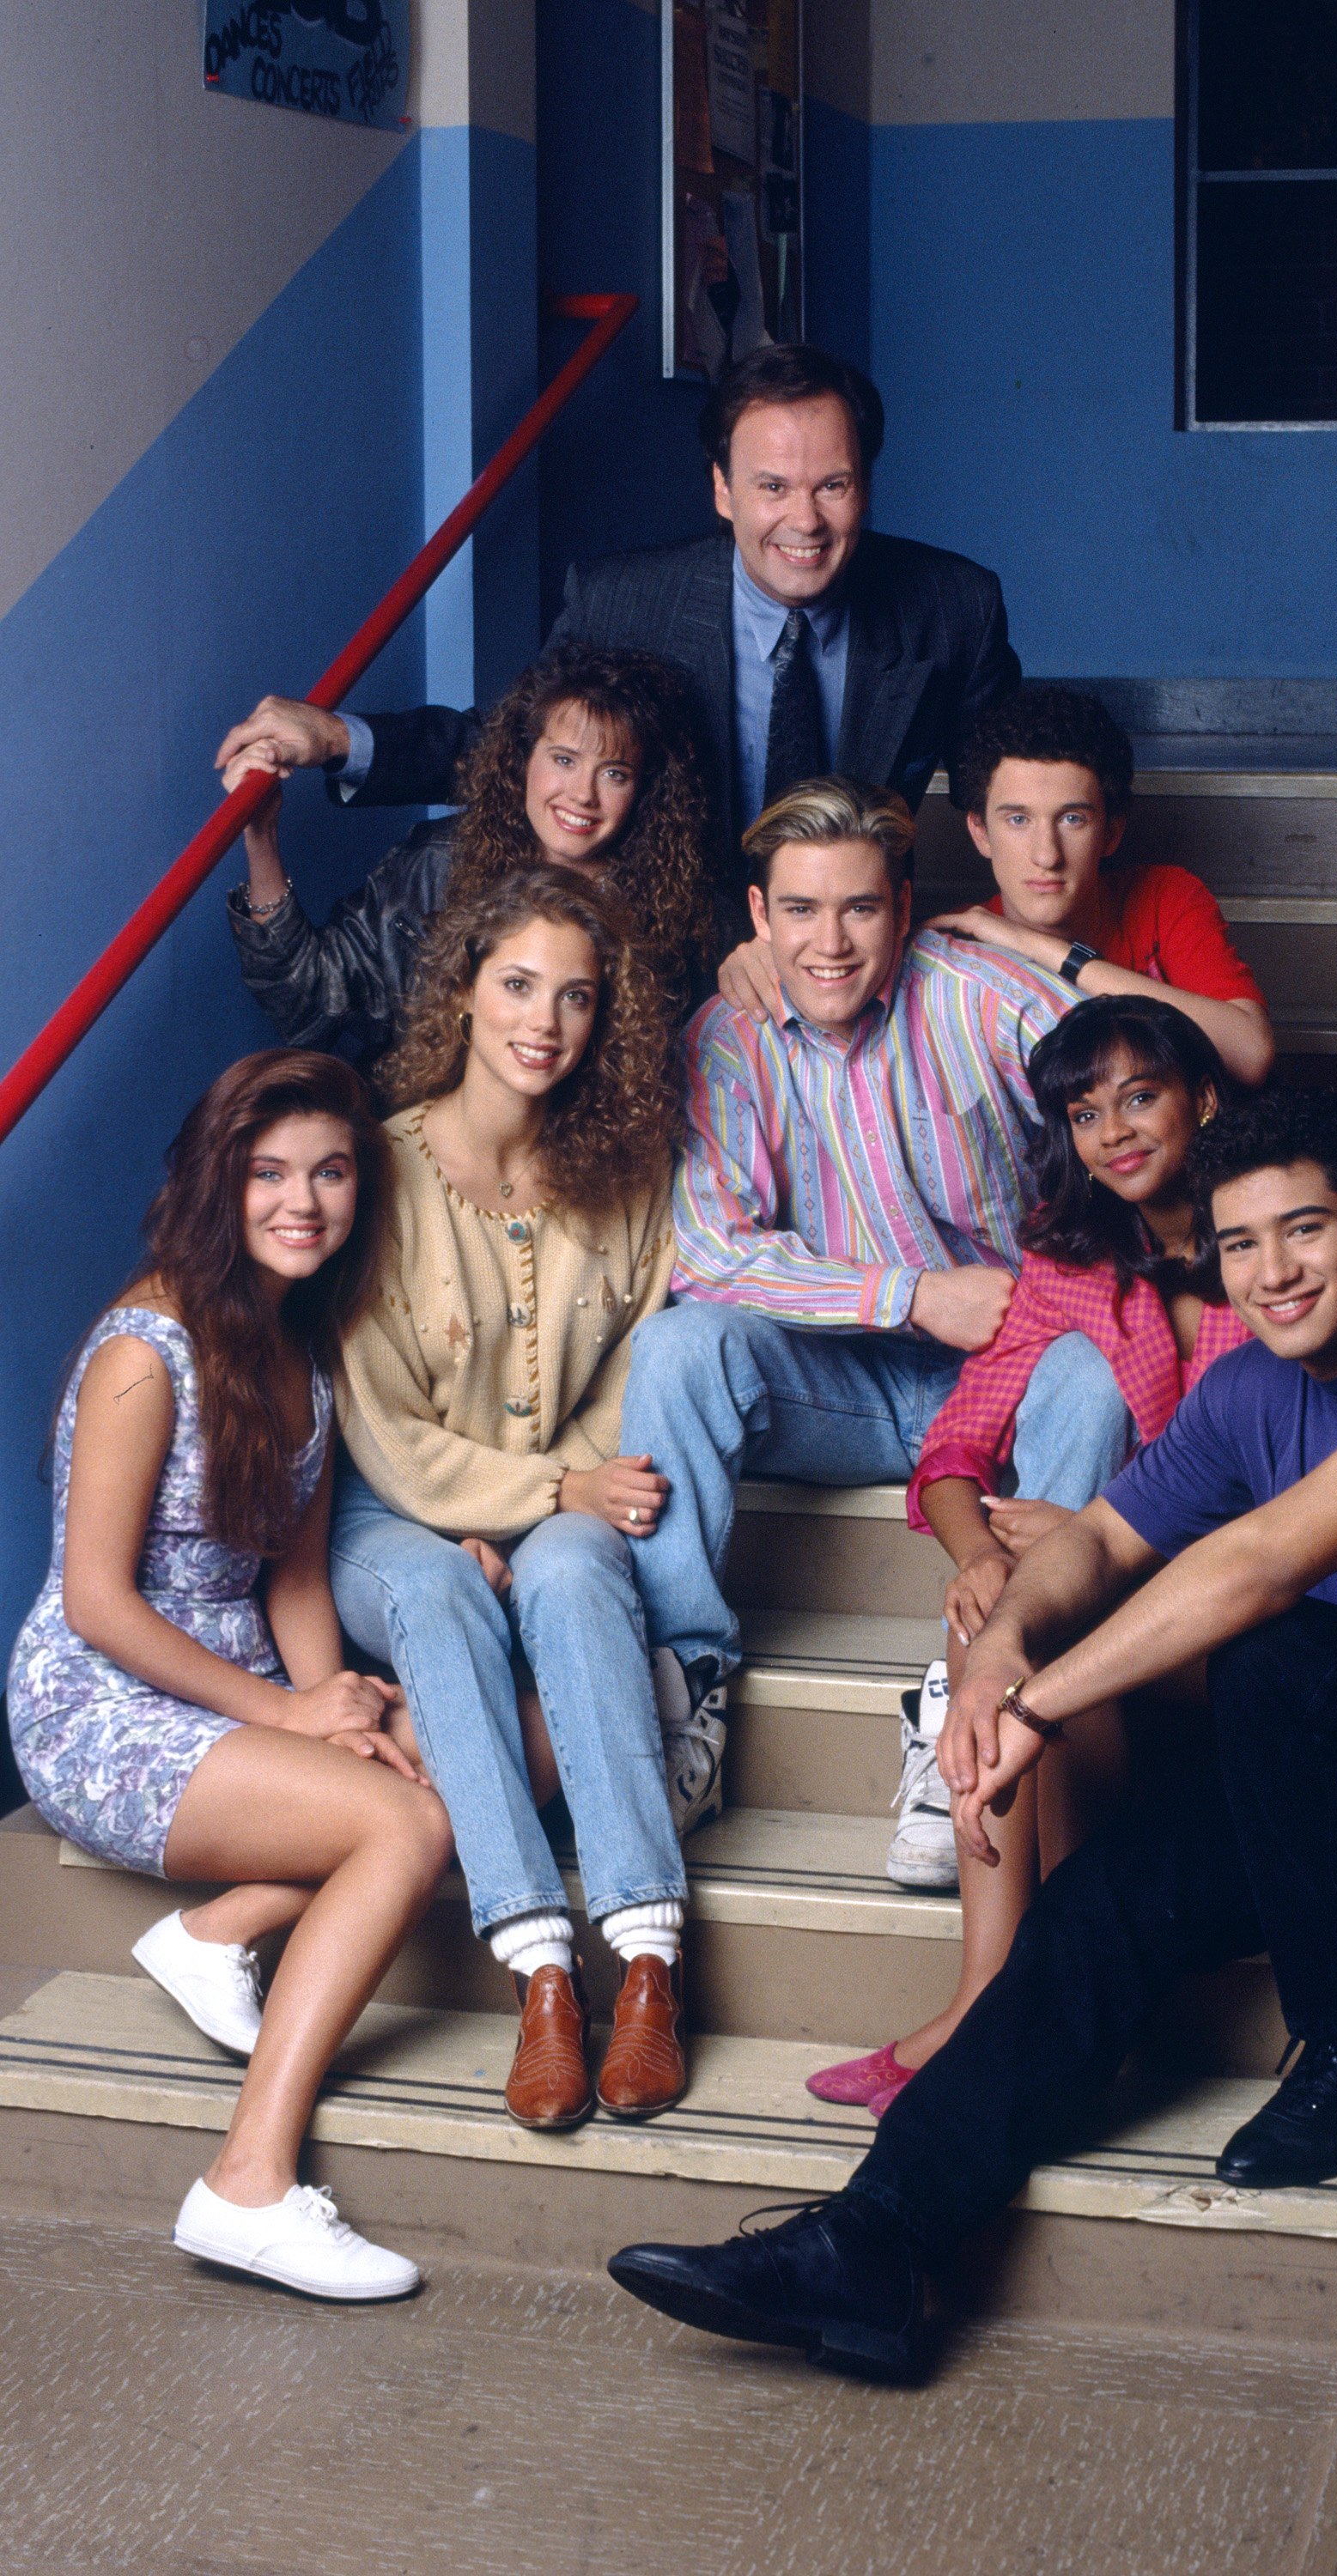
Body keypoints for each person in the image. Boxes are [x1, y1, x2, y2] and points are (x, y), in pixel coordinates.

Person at [605, 1087, 1337, 2380]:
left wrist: (1034, 1703)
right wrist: (1000, 1654)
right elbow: (1091, 1540)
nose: (1270, 1273)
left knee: (1273, 1647)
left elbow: (1259, 1562)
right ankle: (876, 2245)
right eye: (1238, 1246)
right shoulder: (1251, 1388)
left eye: (1302, 1233)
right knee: (1099, 1901)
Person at [6, 1052, 454, 2302]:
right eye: (268, 1174)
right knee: (407, 1826)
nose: (302, 1201)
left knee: (461, 1748)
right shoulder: (145, 1350)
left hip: (240, 1675)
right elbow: (96, 1598)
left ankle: (218, 1933)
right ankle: (246, 2184)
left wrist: (349, 1712)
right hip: (103, 1703)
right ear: (219, 1182)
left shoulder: (302, 1352)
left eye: (329, 1172)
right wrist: (292, 1714)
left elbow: (295, 1586)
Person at [614, 778, 1135, 1806]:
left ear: (901, 907)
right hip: (838, 1384)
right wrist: (911, 1296)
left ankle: (991, 1692)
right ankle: (687, 1683)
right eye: (800, 911)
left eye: (859, 908)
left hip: (1008, 1379)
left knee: (1093, 1376)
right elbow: (710, 1253)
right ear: (759, 917)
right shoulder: (729, 1031)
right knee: (679, 1349)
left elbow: (1130, 1081)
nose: (831, 943)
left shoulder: (974, 991)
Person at [213, 341, 1020, 993]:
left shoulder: (951, 606)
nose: (803, 520)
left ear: (867, 486)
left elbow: (1011, 792)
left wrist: (1035, 935)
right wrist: (336, 737)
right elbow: (520, 755)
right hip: (660, 971)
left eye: (832, 485)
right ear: (722, 489)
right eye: (771, 485)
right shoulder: (626, 601)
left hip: (845, 964)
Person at [811, 997, 1249, 2100]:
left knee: (1031, 1658)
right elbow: (955, 1448)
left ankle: (1048, 2002)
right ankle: (992, 1992)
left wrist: (1105, 1542)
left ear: (1201, 1096)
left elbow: (1293, 1503)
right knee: (1015, 1637)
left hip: (1253, 1621)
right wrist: (985, 1562)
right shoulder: (1068, 1264)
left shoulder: (1273, 1243)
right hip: (1108, 1602)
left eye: (1140, 1096)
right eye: (1086, 1111)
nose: (1116, 1131)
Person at [328, 864, 696, 2133]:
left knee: (582, 1570)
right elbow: (379, 1421)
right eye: (518, 985)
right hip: (394, 1517)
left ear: (609, 1020)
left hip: (559, 1502)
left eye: (577, 998)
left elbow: (639, 1359)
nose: (543, 1022)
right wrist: (531, 1491)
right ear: (466, 990)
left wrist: (563, 1502)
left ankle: (646, 1958)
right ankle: (542, 1973)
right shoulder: (379, 1171)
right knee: (436, 1590)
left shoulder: (631, 1168)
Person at [223, 646, 715, 1064]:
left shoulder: (671, 907)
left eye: (614, 774)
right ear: (523, 761)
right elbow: (309, 1006)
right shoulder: (435, 865)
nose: (583, 794)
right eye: (564, 760)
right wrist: (261, 838)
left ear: (642, 789)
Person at [932, 683, 1274, 1086]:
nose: (1047, 855)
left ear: (1112, 832)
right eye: (1018, 820)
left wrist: (1042, 949)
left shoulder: (1166, 897)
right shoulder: (954, 950)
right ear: (981, 833)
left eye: (1072, 819)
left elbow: (1251, 1056)